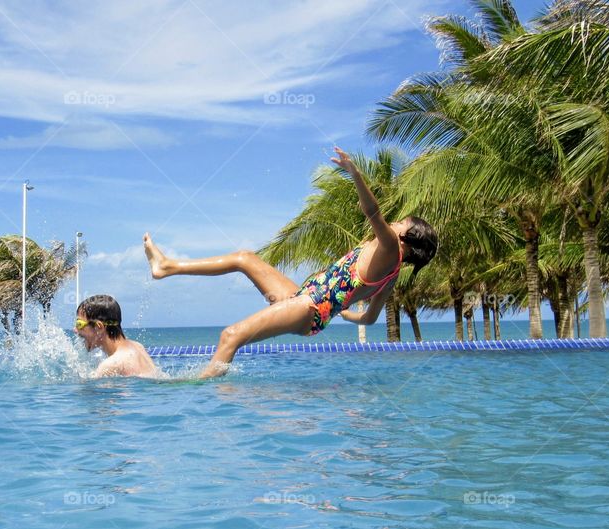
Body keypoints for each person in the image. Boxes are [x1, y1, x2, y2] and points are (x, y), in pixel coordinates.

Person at [143, 147, 438, 379]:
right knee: (244, 258)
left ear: (406, 239)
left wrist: (355, 173)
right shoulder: (392, 274)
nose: (395, 222)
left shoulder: (390, 249)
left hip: (308, 307)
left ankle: (200, 389)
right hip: (307, 301)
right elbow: (371, 318)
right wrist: (341, 313)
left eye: (401, 223)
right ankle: (166, 267)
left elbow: (372, 211)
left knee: (230, 336)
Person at [74, 294, 160, 378]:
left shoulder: (110, 365)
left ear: (99, 327)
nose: (75, 330)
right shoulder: (138, 346)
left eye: (79, 324)